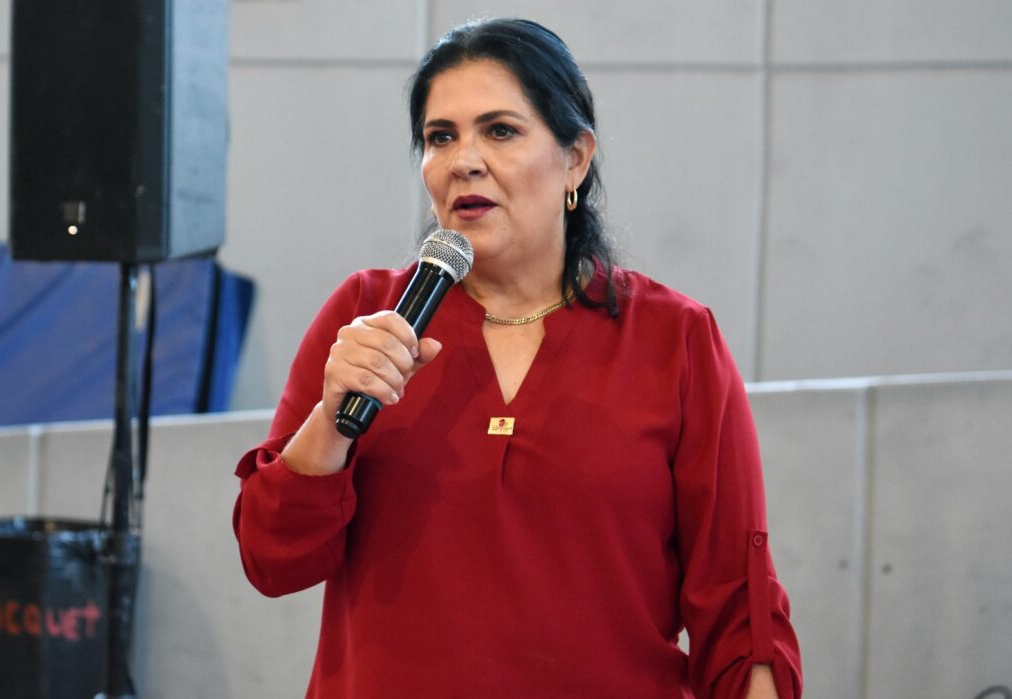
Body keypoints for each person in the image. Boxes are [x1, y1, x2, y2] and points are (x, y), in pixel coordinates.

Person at [233, 17, 802, 699]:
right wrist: (332, 419)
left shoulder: (672, 339)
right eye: (440, 137)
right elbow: (273, 561)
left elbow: (737, 605)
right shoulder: (367, 316)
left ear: (575, 159)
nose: (463, 161)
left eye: (500, 131)